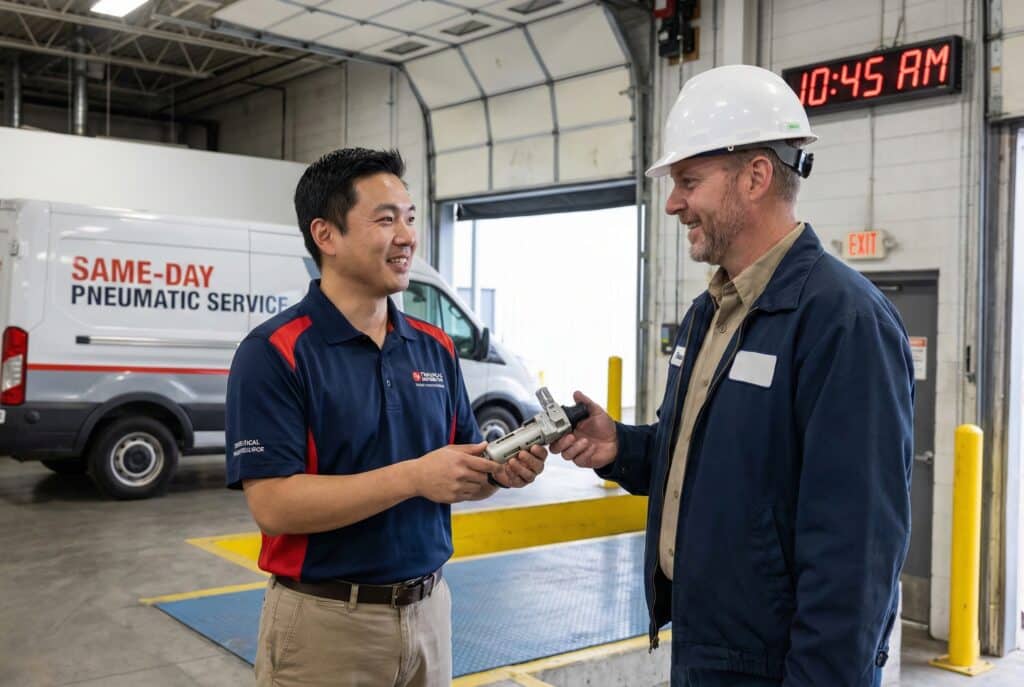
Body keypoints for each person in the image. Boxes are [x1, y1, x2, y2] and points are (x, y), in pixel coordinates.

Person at [550, 65, 914, 687]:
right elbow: (710, 459)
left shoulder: (841, 321)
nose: (672, 203)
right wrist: (624, 448)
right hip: (704, 643)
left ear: (756, 176)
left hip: (777, 666)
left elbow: (856, 553)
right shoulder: (709, 315)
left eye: (689, 180)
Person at [225, 147, 547, 687]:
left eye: (410, 218)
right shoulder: (275, 352)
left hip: (430, 613)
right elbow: (273, 506)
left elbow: (459, 470)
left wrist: (497, 473)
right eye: (385, 219)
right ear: (326, 235)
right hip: (326, 625)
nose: (406, 236)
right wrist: (416, 476)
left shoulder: (434, 347)